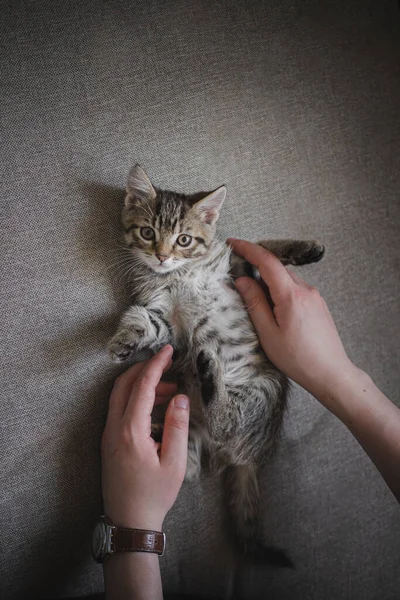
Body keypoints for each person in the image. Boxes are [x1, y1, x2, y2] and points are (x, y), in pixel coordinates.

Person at [101, 239, 400, 600]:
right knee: (199, 396)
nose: (165, 252)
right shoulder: (156, 280)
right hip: (201, 387)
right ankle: (192, 451)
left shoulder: (215, 258)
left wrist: (131, 527)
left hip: (227, 389)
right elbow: (164, 328)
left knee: (251, 392)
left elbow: (240, 262)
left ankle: (215, 424)